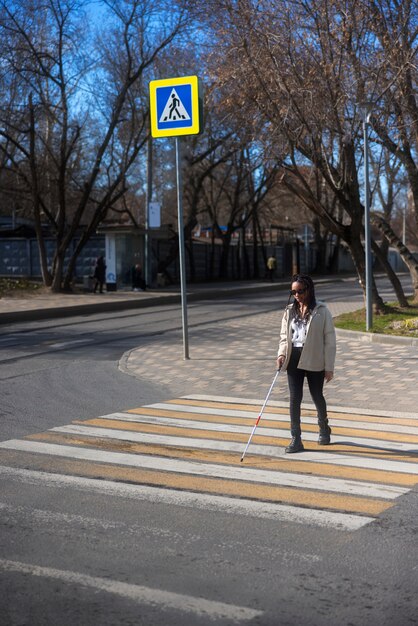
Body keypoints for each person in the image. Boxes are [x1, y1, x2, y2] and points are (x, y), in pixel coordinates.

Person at [276, 274, 336, 453]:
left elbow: (330, 341)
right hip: (293, 358)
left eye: (300, 291)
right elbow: (283, 337)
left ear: (309, 290)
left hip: (314, 358)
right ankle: (296, 438)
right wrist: (281, 355)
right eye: (293, 291)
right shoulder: (288, 311)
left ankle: (324, 428)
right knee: (295, 399)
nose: (296, 294)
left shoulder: (322, 311)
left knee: (317, 395)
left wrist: (329, 367)